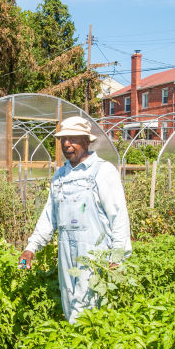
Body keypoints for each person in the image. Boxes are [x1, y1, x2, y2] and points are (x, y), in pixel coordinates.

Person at [19, 116, 131, 323]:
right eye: (63, 139)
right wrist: (31, 247)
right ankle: (75, 346)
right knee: (70, 301)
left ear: (87, 141)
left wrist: (117, 257)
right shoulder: (61, 175)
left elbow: (119, 217)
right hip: (66, 253)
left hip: (95, 255)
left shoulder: (103, 171)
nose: (67, 144)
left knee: (92, 308)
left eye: (73, 139)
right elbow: (49, 216)